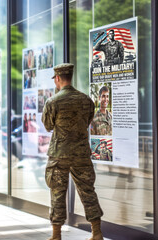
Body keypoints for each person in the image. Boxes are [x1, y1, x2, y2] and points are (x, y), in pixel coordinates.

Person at [42, 63, 103, 240]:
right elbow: (87, 122)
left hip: (59, 154)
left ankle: (56, 235)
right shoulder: (86, 100)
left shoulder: (53, 101)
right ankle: (97, 232)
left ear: (58, 78)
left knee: (57, 192)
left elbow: (47, 126)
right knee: (88, 191)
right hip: (81, 153)